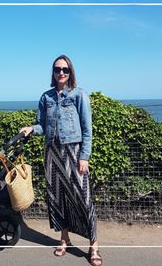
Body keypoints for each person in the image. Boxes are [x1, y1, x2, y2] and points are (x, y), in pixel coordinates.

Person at [20, 55, 102, 266]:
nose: (61, 73)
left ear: (71, 71)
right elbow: (42, 125)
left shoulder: (79, 95)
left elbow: (87, 129)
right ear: (53, 72)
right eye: (57, 70)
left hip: (73, 152)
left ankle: (94, 245)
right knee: (58, 197)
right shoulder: (45, 97)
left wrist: (84, 156)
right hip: (52, 153)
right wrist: (31, 128)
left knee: (83, 198)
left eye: (65, 69)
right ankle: (64, 239)